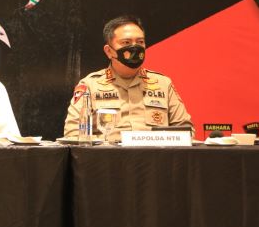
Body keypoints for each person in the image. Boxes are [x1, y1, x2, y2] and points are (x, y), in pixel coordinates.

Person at [63, 15, 194, 141]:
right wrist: (112, 142)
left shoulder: (163, 84)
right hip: (110, 155)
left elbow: (186, 132)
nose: (135, 47)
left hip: (155, 155)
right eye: (126, 42)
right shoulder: (90, 86)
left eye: (140, 42)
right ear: (109, 51)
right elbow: (73, 134)